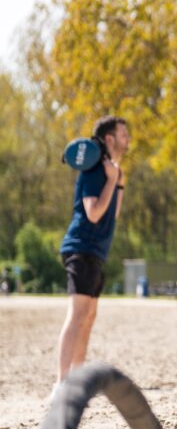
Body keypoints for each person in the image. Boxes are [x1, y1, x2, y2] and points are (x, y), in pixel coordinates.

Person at [56, 116, 130, 388]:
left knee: (88, 317)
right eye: (124, 134)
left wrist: (118, 181)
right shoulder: (93, 170)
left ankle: (77, 377)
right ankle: (62, 383)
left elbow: (114, 212)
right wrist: (111, 180)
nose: (128, 140)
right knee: (77, 316)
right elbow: (94, 212)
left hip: (97, 252)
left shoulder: (111, 171)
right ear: (109, 138)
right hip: (81, 248)